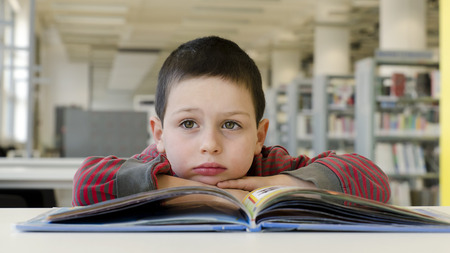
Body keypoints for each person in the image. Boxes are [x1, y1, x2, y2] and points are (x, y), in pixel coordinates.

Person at [72, 36, 390, 206]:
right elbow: (86, 183)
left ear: (258, 136)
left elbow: (374, 180)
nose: (210, 145)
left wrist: (275, 185)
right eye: (187, 124)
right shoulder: (156, 165)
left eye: (231, 125)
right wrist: (199, 194)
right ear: (160, 134)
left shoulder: (270, 166)